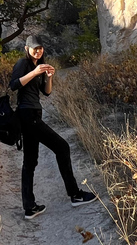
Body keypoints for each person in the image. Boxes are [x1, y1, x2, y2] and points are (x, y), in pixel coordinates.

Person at [9, 34, 97, 220]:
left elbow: (46, 93)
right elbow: (14, 85)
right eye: (35, 48)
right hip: (27, 115)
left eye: (40, 48)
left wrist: (48, 77)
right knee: (62, 147)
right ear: (27, 49)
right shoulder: (23, 64)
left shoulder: (39, 66)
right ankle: (75, 194)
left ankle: (29, 207)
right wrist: (35, 72)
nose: (38, 51)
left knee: (30, 161)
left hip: (34, 114)